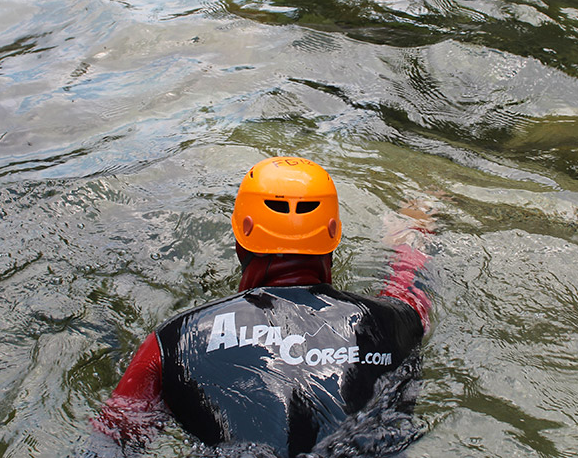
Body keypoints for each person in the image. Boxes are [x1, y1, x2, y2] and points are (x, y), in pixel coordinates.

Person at [87, 156, 434, 457]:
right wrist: (412, 233)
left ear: (242, 236)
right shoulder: (396, 321)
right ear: (333, 234)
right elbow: (410, 287)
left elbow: (111, 441)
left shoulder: (174, 342)